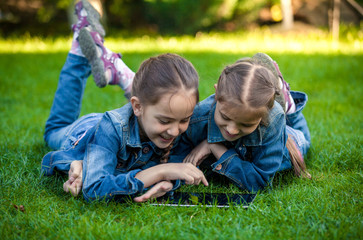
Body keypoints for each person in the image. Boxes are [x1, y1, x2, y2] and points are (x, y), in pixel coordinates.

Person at [41, 0, 207, 203]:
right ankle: (78, 47)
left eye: (184, 120)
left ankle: (123, 74)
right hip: (86, 132)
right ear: (137, 106)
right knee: (53, 130)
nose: (174, 131)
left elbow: (223, 108)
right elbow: (94, 189)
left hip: (124, 123)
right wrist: (161, 172)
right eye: (164, 121)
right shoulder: (111, 129)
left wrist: (170, 181)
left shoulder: (179, 120)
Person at [182, 53, 311, 193]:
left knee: (303, 141)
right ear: (217, 92)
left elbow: (260, 183)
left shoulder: (273, 120)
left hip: (282, 139)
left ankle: (289, 107)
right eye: (225, 117)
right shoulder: (197, 117)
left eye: (246, 124)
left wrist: (215, 147)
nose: (231, 130)